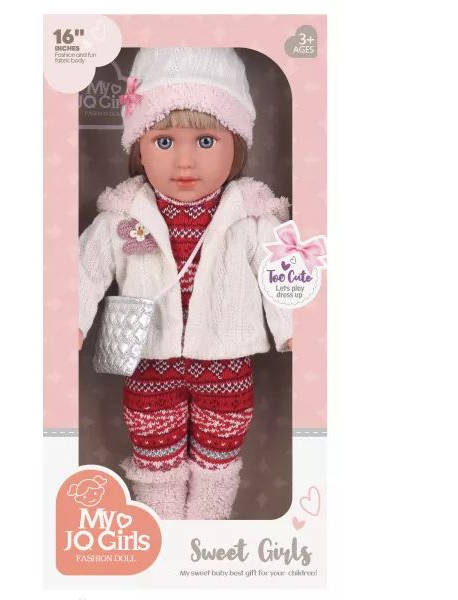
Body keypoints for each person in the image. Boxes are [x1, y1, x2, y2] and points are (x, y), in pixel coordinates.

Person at [78, 47, 292, 520]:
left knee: (219, 459)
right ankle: (163, 532)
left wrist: (294, 324)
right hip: (149, 361)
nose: (185, 161)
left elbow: (281, 269)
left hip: (226, 362)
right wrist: (69, 320)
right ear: (138, 146)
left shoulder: (250, 216)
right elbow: (84, 269)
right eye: (164, 141)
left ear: (237, 143)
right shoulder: (123, 214)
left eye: (206, 141)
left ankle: (205, 535)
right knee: (154, 460)